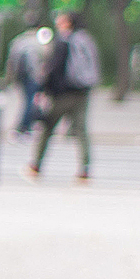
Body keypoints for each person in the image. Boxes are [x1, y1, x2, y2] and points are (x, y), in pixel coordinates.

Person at [25, 10, 100, 183]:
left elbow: (55, 68)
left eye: (61, 19)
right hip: (83, 91)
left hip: (63, 93)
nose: (58, 22)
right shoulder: (85, 39)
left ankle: (36, 165)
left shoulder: (63, 41)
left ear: (68, 23)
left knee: (47, 127)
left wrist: (45, 89)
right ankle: (85, 168)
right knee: (81, 130)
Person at [7, 25, 49, 137]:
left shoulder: (18, 41)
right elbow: (38, 61)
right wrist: (40, 76)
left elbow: (11, 61)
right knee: (31, 101)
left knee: (27, 100)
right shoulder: (37, 42)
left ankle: (26, 124)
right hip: (32, 76)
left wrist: (10, 78)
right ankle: (24, 126)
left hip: (20, 76)